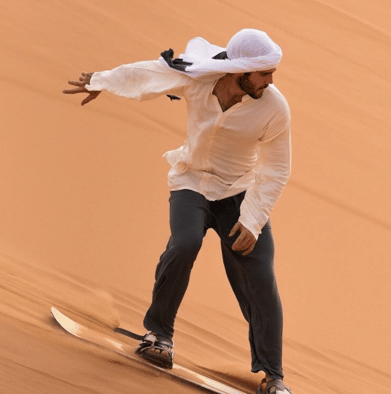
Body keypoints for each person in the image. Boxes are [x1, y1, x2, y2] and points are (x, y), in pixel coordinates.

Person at [63, 28, 293, 394]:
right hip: (193, 185)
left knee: (260, 275)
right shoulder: (199, 80)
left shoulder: (274, 107)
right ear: (240, 71)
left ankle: (274, 377)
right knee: (184, 244)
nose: (271, 80)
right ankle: (158, 336)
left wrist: (253, 219)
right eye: (264, 73)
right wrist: (101, 81)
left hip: (239, 195)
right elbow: (149, 75)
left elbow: (278, 168)